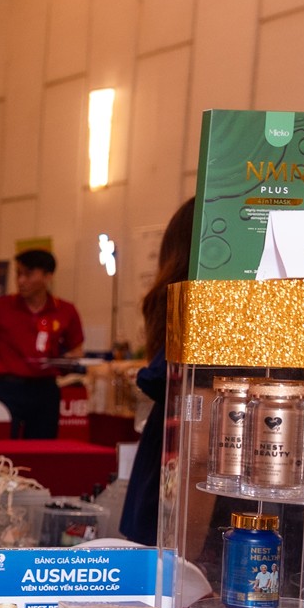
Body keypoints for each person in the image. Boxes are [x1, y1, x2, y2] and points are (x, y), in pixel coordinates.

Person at [120, 199, 193, 545]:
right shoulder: (198, 305)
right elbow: (160, 374)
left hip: (170, 447)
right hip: (177, 453)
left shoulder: (179, 301)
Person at [0, 246, 83, 439]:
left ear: (48, 276)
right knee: (1, 447)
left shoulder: (66, 310)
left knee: (42, 449)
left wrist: (68, 360)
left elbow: (77, 350)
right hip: (6, 387)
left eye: (28, 274)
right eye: (18, 274)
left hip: (45, 389)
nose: (21, 281)